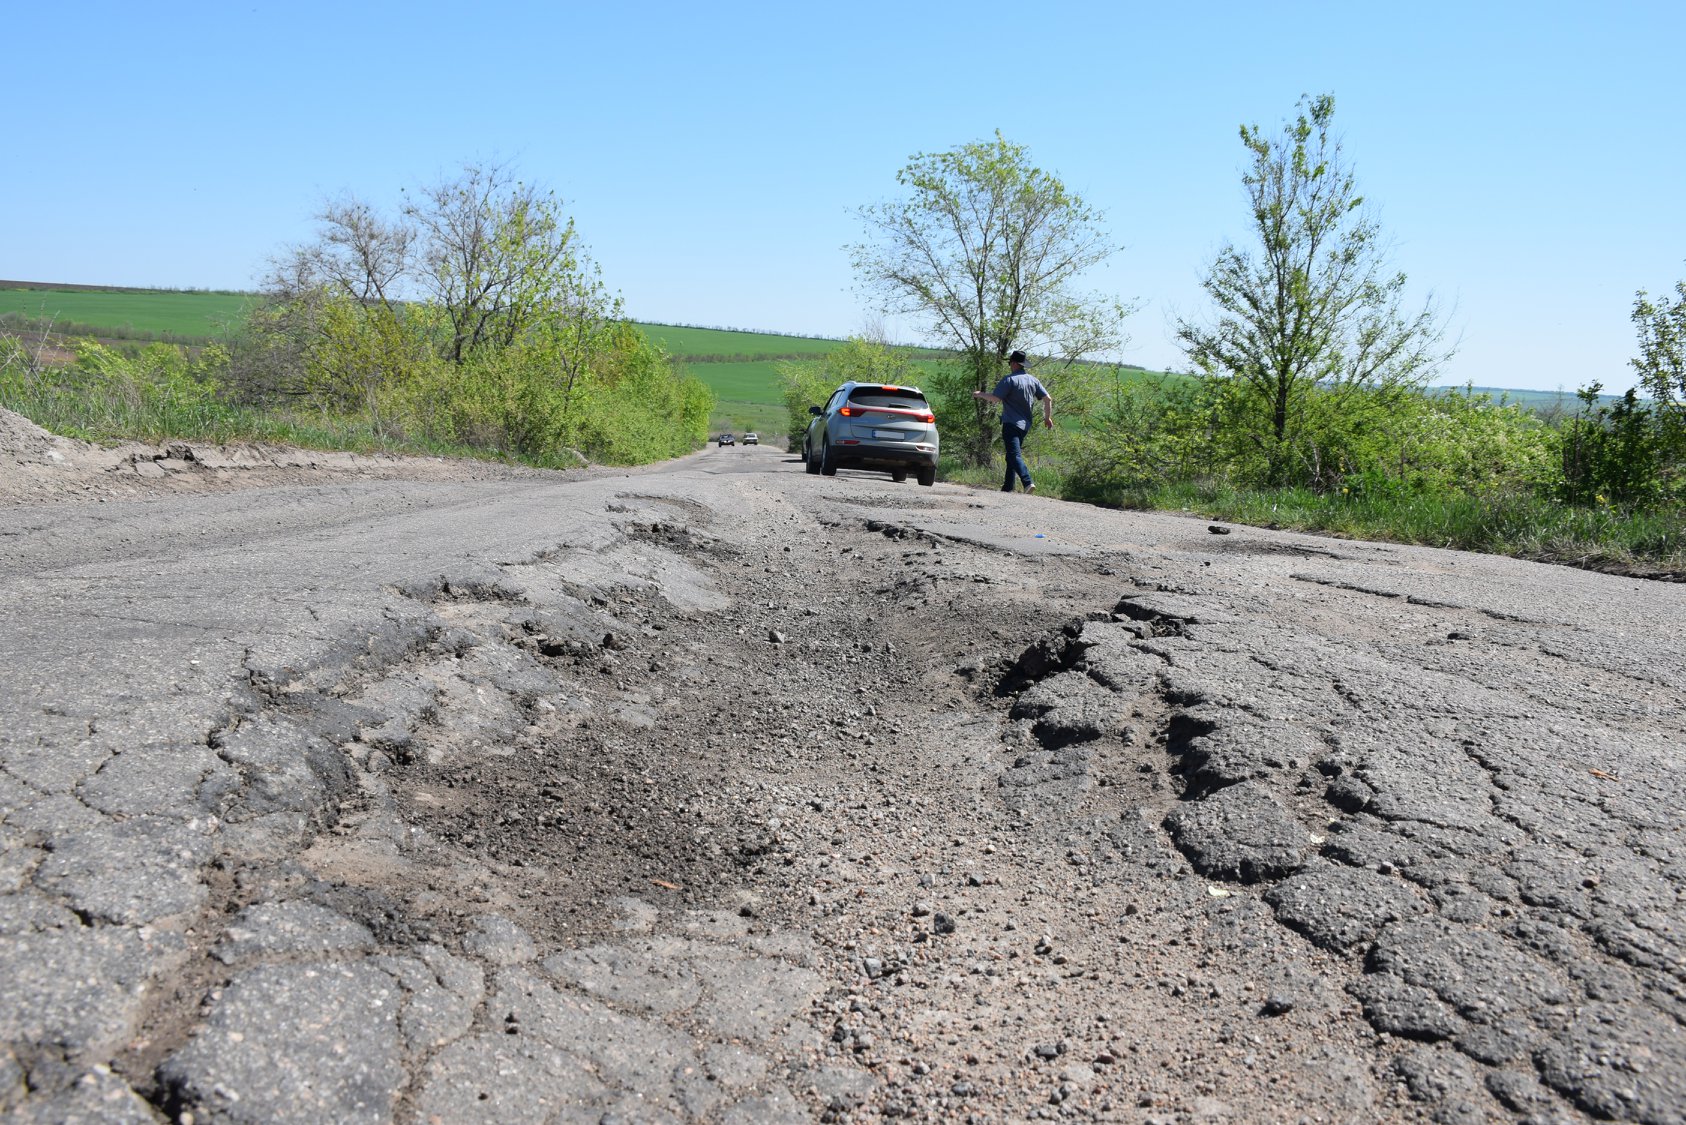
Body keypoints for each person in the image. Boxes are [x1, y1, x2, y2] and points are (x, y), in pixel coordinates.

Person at [972, 350, 1053, 493]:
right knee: (1011, 455)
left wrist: (980, 395)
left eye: (1010, 363)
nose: (1010, 365)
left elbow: (995, 399)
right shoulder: (1033, 380)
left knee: (1014, 455)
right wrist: (1047, 418)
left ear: (1014, 363)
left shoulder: (1009, 380)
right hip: (1025, 425)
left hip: (1011, 423)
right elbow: (1048, 399)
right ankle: (1007, 488)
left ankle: (1027, 482)